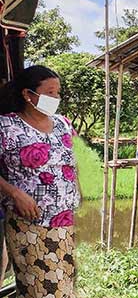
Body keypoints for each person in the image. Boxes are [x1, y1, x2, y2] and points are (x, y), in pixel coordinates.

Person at [0, 65, 81, 298]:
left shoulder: (63, 124)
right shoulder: (7, 127)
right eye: (51, 92)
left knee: (65, 289)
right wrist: (14, 193)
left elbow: (74, 164)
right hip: (30, 224)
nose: (56, 98)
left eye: (58, 93)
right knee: (41, 290)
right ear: (28, 95)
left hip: (66, 222)